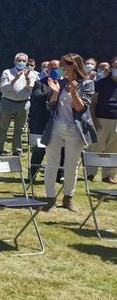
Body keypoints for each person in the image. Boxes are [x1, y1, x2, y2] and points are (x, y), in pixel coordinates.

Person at [41, 53, 97, 212]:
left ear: (75, 66)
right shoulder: (59, 80)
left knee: (72, 166)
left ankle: (68, 199)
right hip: (56, 127)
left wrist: (73, 92)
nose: (61, 68)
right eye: (61, 64)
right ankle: (50, 199)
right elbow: (50, 107)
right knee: (52, 163)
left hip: (75, 129)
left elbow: (81, 108)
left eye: (65, 65)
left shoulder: (87, 84)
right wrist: (55, 93)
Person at [0, 53, 36, 156]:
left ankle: (17, 150)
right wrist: (15, 78)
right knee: (3, 127)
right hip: (8, 102)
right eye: (19, 60)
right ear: (14, 61)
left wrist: (26, 78)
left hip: (24, 103)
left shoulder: (31, 74)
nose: (21, 62)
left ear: (26, 62)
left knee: (19, 129)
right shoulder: (7, 72)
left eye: (24, 61)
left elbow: (31, 89)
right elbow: (4, 89)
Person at [85, 56, 116, 184]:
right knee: (95, 147)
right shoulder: (101, 83)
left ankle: (108, 175)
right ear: (111, 67)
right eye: (116, 65)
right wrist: (94, 120)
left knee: (114, 149)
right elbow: (93, 103)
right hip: (101, 119)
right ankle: (90, 173)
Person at [29, 60, 61, 181]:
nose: (54, 70)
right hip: (43, 121)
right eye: (51, 68)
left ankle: (60, 174)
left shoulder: (64, 83)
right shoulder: (39, 83)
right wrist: (53, 91)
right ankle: (33, 172)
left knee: (61, 149)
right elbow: (37, 96)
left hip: (59, 121)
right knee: (39, 149)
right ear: (47, 69)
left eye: (57, 68)